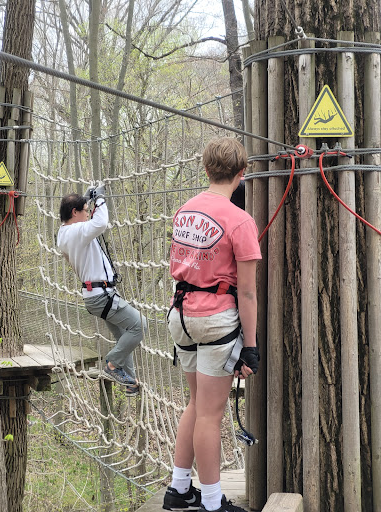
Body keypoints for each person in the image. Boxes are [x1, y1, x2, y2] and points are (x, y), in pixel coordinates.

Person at [163, 137, 262, 512]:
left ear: (206, 169)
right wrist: (249, 345)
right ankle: (211, 502)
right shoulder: (240, 221)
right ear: (242, 172)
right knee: (210, 413)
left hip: (180, 314)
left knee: (195, 404)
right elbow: (248, 293)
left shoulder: (184, 210)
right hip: (215, 319)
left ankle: (178, 488)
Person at [57, 183, 145, 395]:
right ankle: (112, 365)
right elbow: (101, 222)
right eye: (84, 211)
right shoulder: (77, 231)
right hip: (101, 296)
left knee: (124, 334)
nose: (88, 214)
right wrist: (100, 199)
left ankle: (130, 382)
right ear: (74, 212)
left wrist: (89, 201)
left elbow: (92, 225)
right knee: (139, 325)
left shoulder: (63, 234)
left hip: (95, 295)